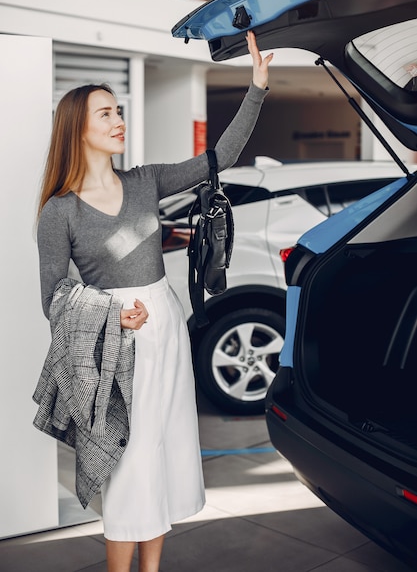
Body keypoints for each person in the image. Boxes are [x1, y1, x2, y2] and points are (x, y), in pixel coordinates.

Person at [35, 31, 273, 572]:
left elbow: (221, 157)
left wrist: (255, 88)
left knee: (162, 451)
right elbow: (52, 298)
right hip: (114, 338)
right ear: (78, 129)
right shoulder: (60, 212)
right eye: (105, 114)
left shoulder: (145, 182)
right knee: (129, 463)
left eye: (118, 111)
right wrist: (110, 313)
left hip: (164, 324)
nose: (119, 120)